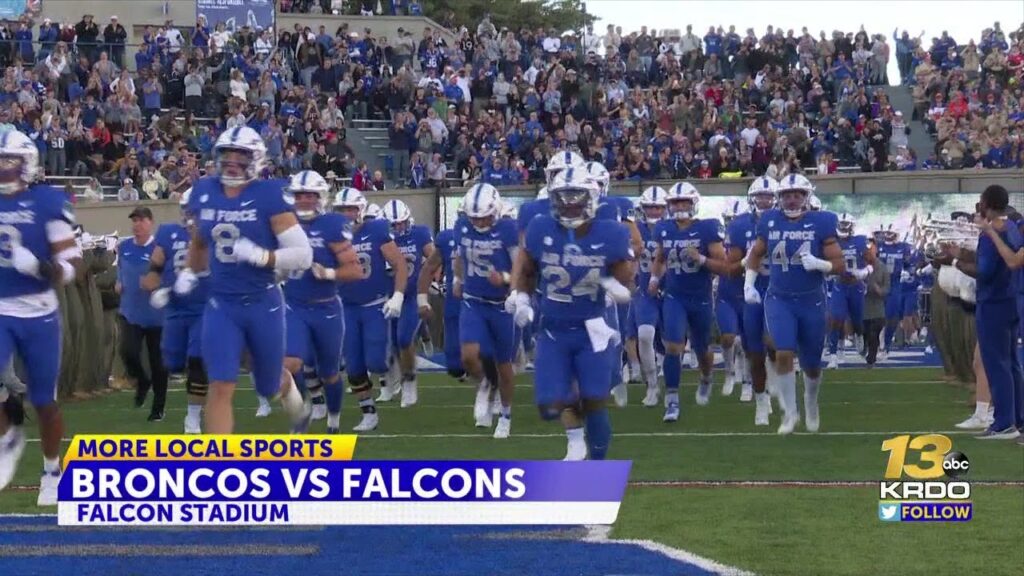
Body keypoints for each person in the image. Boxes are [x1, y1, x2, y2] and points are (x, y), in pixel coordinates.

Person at [175, 126, 312, 434]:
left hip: (263, 302)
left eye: (241, 154)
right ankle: (221, 465)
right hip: (221, 303)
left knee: (268, 383)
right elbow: (199, 239)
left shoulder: (268, 194)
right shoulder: (204, 190)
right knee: (221, 384)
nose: (233, 161)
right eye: (227, 153)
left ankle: (294, 401)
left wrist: (263, 256)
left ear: (257, 159)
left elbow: (302, 254)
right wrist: (189, 271)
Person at [508, 168, 635, 460]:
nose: (570, 203)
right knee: (550, 404)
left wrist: (612, 284)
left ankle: (597, 462)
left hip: (592, 328)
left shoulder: (611, 231)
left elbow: (626, 277)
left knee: (593, 400)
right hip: (553, 328)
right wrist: (522, 297)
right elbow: (526, 268)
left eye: (576, 196)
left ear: (591, 197)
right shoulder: (541, 227)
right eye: (563, 196)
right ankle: (576, 438)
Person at [0, 129, 83, 505]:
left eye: (8, 160)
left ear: (26, 163)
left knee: (45, 402)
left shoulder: (48, 202)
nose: (2, 168)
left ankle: (52, 468)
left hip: (39, 312)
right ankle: (9, 434)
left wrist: (40, 267)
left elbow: (71, 266)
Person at [744, 173, 845, 434]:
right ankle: (790, 413)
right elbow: (755, 254)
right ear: (780, 198)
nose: (791, 200)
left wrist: (821, 264)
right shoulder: (769, 220)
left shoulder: (822, 221)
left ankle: (811, 402)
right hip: (779, 298)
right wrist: (749, 284)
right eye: (787, 195)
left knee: (811, 364)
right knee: (783, 352)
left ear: (806, 196)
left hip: (812, 300)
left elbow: (840, 265)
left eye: (797, 195)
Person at [436, 184, 517, 438]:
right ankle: (484, 383)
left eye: (484, 216)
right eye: (475, 217)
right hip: (474, 300)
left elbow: (523, 269)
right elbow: (460, 257)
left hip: (502, 304)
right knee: (469, 355)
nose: (480, 222)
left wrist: (505, 279)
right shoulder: (461, 227)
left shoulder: (508, 229)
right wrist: (458, 280)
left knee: (504, 366)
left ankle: (505, 414)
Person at [282, 171, 360, 434]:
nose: (303, 200)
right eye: (299, 195)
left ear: (320, 197)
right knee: (290, 364)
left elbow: (355, 270)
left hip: (326, 306)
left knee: (329, 374)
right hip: (294, 305)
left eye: (309, 195)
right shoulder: (283, 223)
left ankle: (334, 420)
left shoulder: (332, 224)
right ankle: (301, 414)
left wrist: (328, 273)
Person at [942, 185, 1023, 439]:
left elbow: (986, 271)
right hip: (1009, 300)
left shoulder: (991, 233)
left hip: (993, 303)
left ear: (986, 203)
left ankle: (1003, 422)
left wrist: (954, 262)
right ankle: (1017, 419)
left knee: (996, 363)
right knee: (1011, 364)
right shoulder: (1009, 226)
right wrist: (962, 253)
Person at [649, 182, 729, 422]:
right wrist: (654, 277)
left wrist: (702, 258)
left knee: (702, 348)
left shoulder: (707, 229)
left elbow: (724, 267)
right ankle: (671, 399)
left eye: (684, 202)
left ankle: (706, 377)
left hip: (701, 297)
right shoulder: (663, 228)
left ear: (694, 204)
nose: (680, 207)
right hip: (674, 296)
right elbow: (660, 257)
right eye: (676, 202)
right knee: (673, 345)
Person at [333, 188, 407, 432]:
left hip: (375, 304)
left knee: (375, 361)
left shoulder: (375, 230)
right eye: (341, 210)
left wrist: (397, 296)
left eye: (350, 209)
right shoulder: (330, 235)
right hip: (347, 308)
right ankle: (369, 413)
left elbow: (399, 264)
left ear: (360, 210)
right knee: (353, 366)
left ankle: (392, 365)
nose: (346, 214)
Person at [142, 190, 209, 433]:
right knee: (173, 362)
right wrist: (152, 281)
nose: (190, 215)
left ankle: (192, 418)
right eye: (187, 209)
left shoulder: (212, 234)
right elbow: (157, 262)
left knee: (197, 360)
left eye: (195, 210)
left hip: (204, 307)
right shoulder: (168, 231)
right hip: (175, 309)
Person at [726, 177, 779, 426]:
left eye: (769, 196)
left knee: (776, 345)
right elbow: (732, 268)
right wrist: (746, 262)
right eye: (761, 196)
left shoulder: (789, 223)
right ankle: (761, 400)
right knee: (755, 351)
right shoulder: (739, 226)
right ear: (752, 198)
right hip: (753, 291)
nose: (765, 200)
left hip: (781, 290)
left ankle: (773, 385)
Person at [379, 199, 433, 408]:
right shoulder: (381, 238)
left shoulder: (419, 233)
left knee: (404, 339)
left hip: (411, 296)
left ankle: (409, 380)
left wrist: (432, 275)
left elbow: (434, 257)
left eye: (402, 222)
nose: (399, 227)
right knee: (392, 343)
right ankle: (399, 378)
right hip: (389, 296)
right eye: (395, 224)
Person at [117, 206, 167, 421]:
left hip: (157, 315)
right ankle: (141, 380)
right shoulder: (124, 246)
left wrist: (156, 284)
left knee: (158, 363)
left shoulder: (160, 248)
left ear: (150, 222)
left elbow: (169, 276)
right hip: (131, 312)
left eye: (141, 220)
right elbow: (121, 270)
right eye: (134, 220)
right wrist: (119, 282)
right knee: (127, 351)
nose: (137, 224)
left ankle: (158, 407)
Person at [629, 186, 667, 407]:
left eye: (658, 207)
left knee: (672, 343)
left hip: (672, 293)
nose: (654, 212)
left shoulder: (674, 228)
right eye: (650, 207)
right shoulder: (635, 230)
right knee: (644, 335)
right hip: (645, 292)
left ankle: (671, 385)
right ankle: (652, 386)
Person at [827, 214, 874, 369]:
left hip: (856, 285)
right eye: (841, 224)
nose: (843, 227)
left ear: (852, 226)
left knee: (857, 320)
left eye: (846, 224)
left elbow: (872, 263)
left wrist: (864, 272)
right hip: (839, 284)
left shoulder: (860, 241)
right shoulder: (831, 242)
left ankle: (859, 336)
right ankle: (833, 355)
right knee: (836, 318)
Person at [863, 256, 891, 366]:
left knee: (873, 332)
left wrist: (878, 289)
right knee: (865, 333)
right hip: (863, 306)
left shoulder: (883, 268)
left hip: (878, 307)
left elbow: (886, 288)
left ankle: (872, 357)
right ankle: (865, 348)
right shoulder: (860, 266)